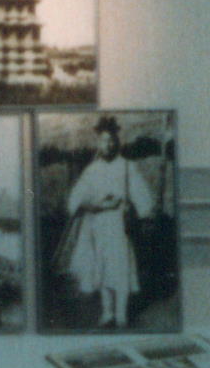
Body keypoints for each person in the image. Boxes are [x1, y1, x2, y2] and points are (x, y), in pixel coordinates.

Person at [57, 116, 157, 328]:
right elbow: (76, 199)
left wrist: (138, 210)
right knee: (102, 269)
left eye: (112, 140)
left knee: (120, 268)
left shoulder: (127, 167)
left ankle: (121, 314)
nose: (109, 144)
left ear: (117, 141)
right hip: (98, 225)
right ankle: (107, 313)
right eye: (104, 140)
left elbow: (142, 197)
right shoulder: (92, 170)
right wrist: (95, 204)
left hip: (120, 226)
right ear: (99, 143)